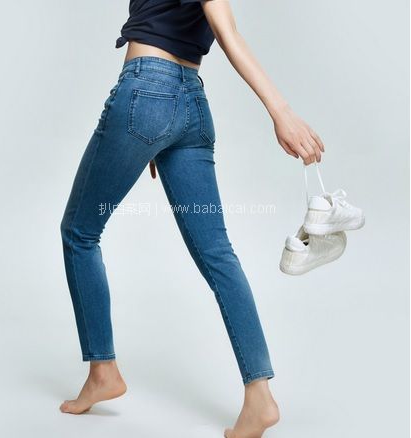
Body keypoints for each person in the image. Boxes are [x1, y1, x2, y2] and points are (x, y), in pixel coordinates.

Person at [59, 1, 324, 437]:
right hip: (191, 104)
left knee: (79, 233)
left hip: (146, 92)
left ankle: (103, 371)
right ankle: (259, 396)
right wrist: (151, 139)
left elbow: (226, 29)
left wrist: (282, 111)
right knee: (218, 254)